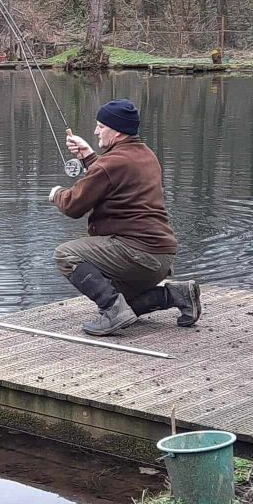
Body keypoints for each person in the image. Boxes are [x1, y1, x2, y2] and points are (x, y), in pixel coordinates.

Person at [48, 99, 201, 337]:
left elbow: (73, 206)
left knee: (65, 254)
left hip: (138, 256)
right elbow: (111, 173)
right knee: (127, 302)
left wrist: (57, 193)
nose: (96, 131)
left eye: (101, 126)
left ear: (116, 130)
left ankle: (113, 311)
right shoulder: (145, 154)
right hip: (160, 257)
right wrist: (89, 156)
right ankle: (177, 295)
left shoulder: (111, 163)